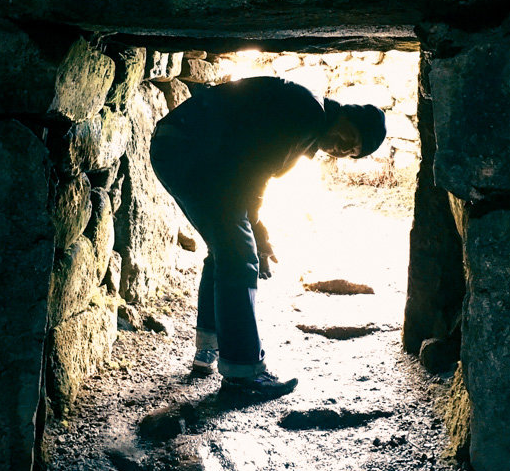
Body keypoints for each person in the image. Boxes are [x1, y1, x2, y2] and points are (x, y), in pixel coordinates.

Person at [150, 75, 387, 399]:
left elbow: (248, 170)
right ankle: (243, 376)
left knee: (226, 250)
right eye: (350, 136)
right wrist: (257, 233)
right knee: (238, 256)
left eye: (350, 151)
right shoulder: (308, 113)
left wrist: (256, 230)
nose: (342, 147)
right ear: (345, 113)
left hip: (182, 146)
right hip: (193, 151)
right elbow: (254, 171)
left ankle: (209, 348)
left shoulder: (309, 115)